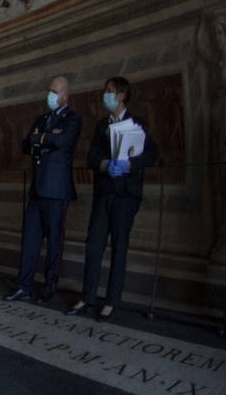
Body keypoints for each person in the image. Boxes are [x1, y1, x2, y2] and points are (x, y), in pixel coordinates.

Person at [69, 77, 161, 319]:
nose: (105, 95)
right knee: (94, 245)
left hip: (126, 195)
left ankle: (111, 300)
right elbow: (91, 157)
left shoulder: (137, 122)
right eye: (105, 91)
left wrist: (129, 165)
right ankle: (87, 296)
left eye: (110, 91)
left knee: (119, 247)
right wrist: (104, 164)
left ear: (121, 95)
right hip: (104, 192)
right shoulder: (102, 125)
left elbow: (152, 155)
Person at [5, 75, 82, 303]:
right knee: (30, 240)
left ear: (65, 95)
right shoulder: (42, 119)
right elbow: (26, 144)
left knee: (54, 243)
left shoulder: (72, 119)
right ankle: (23, 286)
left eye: (55, 91)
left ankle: (49, 288)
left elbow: (62, 142)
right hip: (37, 189)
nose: (50, 95)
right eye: (49, 90)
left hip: (57, 190)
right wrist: (44, 139)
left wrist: (41, 139)